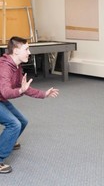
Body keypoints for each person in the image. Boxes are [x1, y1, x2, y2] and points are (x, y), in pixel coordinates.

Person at [0, 36, 59, 174]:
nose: (29, 52)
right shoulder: (4, 68)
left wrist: (44, 94)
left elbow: (25, 88)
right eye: (26, 49)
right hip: (2, 96)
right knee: (14, 124)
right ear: (15, 51)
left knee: (22, 121)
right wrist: (20, 90)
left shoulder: (16, 66)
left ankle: (8, 140)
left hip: (1, 99)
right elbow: (5, 91)